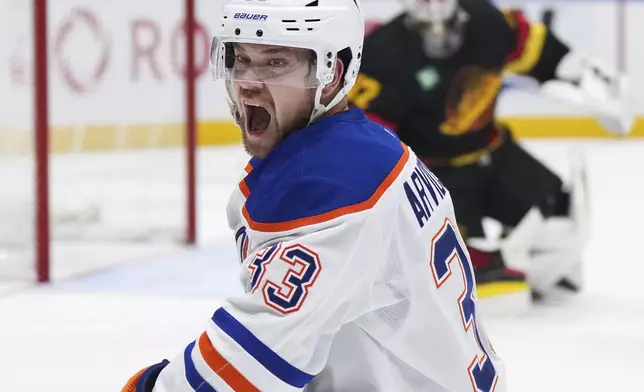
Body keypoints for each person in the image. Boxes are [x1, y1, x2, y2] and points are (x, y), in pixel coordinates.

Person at [122, 0, 507, 391]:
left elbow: (245, 364)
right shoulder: (365, 148)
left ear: (332, 74)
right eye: (240, 58)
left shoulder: (328, 187)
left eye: (275, 63)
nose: (248, 82)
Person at [349, 0, 634, 303]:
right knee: (455, 262)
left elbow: (543, 53)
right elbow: (373, 139)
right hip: (435, 176)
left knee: (557, 214)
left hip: (493, 153)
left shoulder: (489, 22)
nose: (433, 5)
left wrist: (583, 76)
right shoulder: (384, 52)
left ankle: (544, 270)